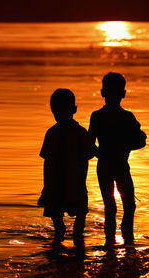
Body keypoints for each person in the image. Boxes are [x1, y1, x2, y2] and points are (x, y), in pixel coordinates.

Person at [89, 72, 146, 247]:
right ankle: (120, 241)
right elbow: (90, 144)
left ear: (122, 94)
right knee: (117, 205)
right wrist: (109, 153)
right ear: (103, 93)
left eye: (116, 92)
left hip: (116, 165)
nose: (113, 96)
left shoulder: (125, 117)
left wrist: (122, 148)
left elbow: (140, 140)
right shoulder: (101, 116)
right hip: (111, 165)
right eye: (111, 92)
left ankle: (118, 240)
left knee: (124, 205)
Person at [38, 88, 95, 247]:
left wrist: (46, 187)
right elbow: (90, 155)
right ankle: (76, 242)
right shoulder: (80, 133)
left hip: (62, 185)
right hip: (72, 185)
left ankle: (61, 236)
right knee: (79, 217)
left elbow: (47, 163)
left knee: (61, 219)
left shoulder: (54, 133)